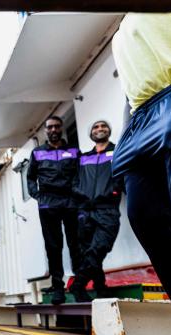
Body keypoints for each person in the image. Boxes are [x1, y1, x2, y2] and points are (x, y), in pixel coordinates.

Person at [111, 13, 171, 335]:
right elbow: (129, 94)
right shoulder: (119, 34)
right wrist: (127, 142)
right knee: (146, 217)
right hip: (142, 119)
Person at [27, 116, 81, 305]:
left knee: (76, 246)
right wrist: (38, 196)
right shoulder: (37, 153)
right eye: (50, 127)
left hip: (70, 204)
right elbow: (30, 178)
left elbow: (80, 174)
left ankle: (79, 287)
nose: (53, 130)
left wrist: (77, 195)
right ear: (45, 131)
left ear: (62, 128)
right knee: (53, 247)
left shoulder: (74, 151)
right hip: (48, 205)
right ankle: (58, 288)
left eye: (57, 126)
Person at [70, 120, 123, 302]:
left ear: (109, 130)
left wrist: (114, 190)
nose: (100, 129)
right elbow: (74, 182)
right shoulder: (83, 158)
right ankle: (100, 288)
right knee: (90, 252)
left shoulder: (118, 151)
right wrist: (81, 194)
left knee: (98, 248)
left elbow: (123, 174)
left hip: (107, 209)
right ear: (91, 133)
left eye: (103, 126)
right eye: (95, 127)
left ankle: (78, 284)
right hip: (85, 211)